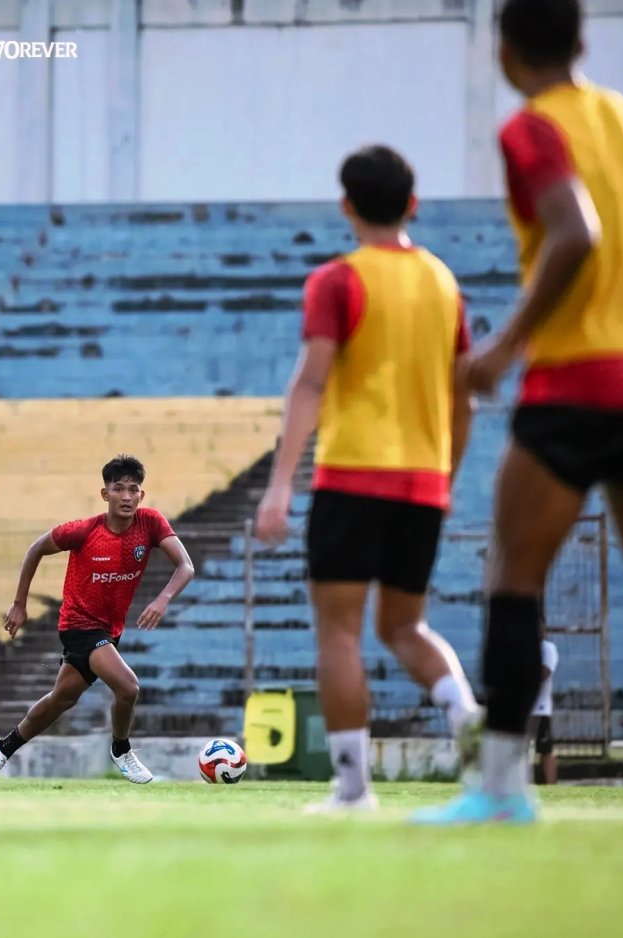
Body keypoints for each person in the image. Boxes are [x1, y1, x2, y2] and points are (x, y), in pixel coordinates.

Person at [415, 0, 623, 824]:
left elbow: (576, 232)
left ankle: (500, 792)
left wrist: (504, 347)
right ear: (584, 42)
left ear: (505, 52)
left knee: (512, 581)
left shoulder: (530, 130)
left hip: (574, 383)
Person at [255, 144, 480, 812]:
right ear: (413, 203)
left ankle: (353, 787)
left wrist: (279, 485)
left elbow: (311, 383)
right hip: (423, 482)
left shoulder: (337, 280)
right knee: (407, 626)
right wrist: (446, 476)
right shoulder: (444, 282)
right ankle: (465, 713)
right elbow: (463, 397)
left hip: (353, 477)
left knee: (340, 633)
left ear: (347, 205)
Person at [0, 454, 194, 786]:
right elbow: (36, 548)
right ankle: (121, 749)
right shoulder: (83, 531)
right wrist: (19, 604)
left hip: (109, 630)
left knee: (62, 699)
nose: (126, 496)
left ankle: (2, 747)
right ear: (105, 494)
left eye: (133, 489)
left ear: (142, 495)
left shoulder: (150, 523)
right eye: (119, 488)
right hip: (78, 625)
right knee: (128, 688)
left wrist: (163, 598)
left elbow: (186, 566)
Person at [530, 627, 559, 785]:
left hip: (540, 709)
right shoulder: (522, 648)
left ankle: (551, 785)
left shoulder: (548, 649)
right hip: (523, 709)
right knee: (520, 750)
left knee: (545, 749)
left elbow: (545, 672)